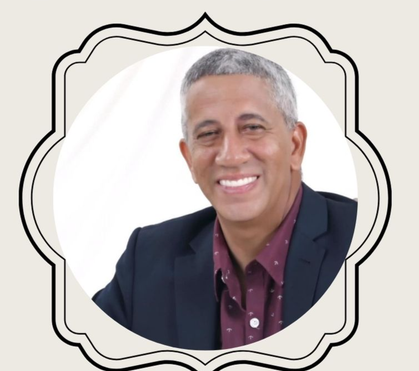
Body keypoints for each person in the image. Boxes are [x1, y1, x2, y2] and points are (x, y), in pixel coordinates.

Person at [93, 48, 357, 350]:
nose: (230, 155)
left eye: (253, 128)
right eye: (208, 134)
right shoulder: (146, 261)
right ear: (189, 159)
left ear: (295, 146)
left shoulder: (364, 244)